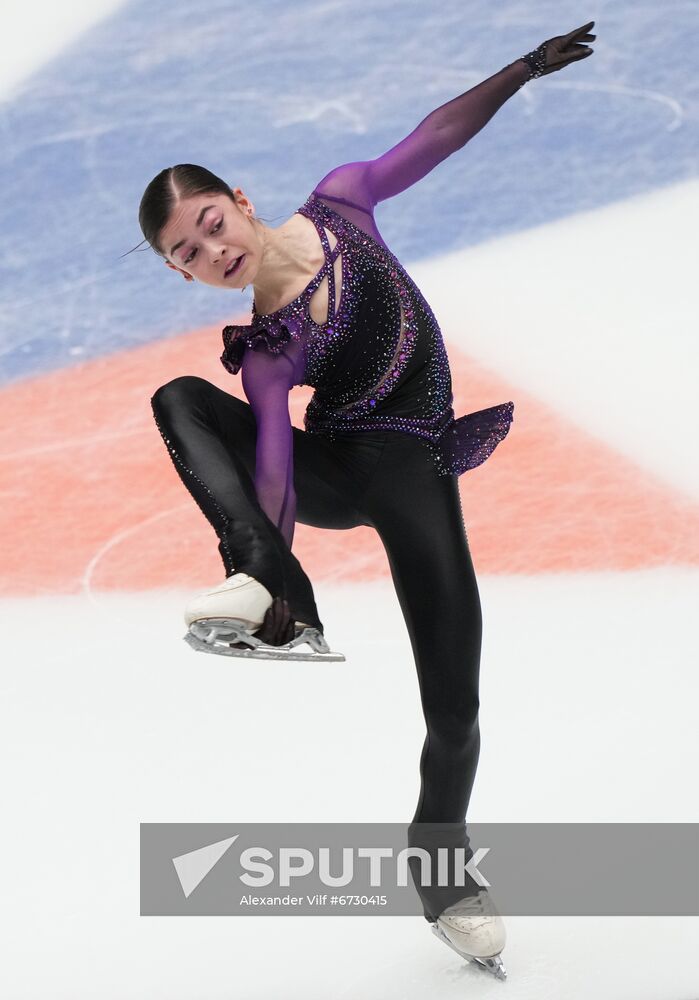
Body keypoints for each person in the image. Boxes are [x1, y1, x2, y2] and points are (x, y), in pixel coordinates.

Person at [130, 22, 595, 979]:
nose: (208, 249)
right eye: (186, 252)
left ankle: (440, 868)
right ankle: (263, 589)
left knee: (456, 712)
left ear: (239, 203)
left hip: (414, 466)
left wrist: (519, 70)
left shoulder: (344, 201)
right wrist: (275, 569)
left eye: (210, 222)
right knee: (180, 399)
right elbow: (274, 474)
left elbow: (431, 138)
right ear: (178, 271)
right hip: (343, 467)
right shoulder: (266, 355)